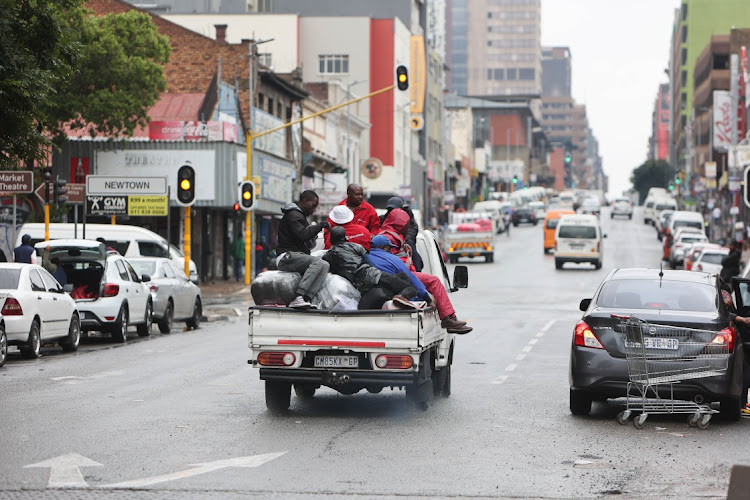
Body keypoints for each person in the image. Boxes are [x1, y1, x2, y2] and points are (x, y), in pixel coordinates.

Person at [367, 235, 472, 334]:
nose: (391, 251)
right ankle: (448, 318)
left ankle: (450, 318)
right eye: (390, 248)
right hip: (397, 285)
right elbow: (411, 278)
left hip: (374, 292)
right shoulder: (392, 258)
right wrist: (428, 298)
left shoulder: (365, 256)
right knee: (433, 280)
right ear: (384, 247)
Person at [322, 227, 417, 308]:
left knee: (399, 277)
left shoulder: (328, 256)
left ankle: (397, 297)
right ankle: (401, 296)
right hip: (373, 275)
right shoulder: (356, 246)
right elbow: (371, 263)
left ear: (331, 239)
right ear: (345, 237)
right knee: (411, 288)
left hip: (359, 285)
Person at [276, 190, 330, 309]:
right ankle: (298, 296)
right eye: (313, 205)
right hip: (286, 256)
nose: (314, 209)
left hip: (296, 256)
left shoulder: (301, 217)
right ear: (305, 201)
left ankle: (307, 298)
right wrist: (320, 226)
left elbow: (306, 241)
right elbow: (302, 234)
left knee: (325, 265)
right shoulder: (293, 215)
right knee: (318, 262)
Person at [380, 197, 423, 271]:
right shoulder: (383, 219)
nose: (393, 211)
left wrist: (404, 240)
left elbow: (413, 228)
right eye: (391, 209)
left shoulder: (408, 217)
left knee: (410, 244)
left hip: (405, 241)